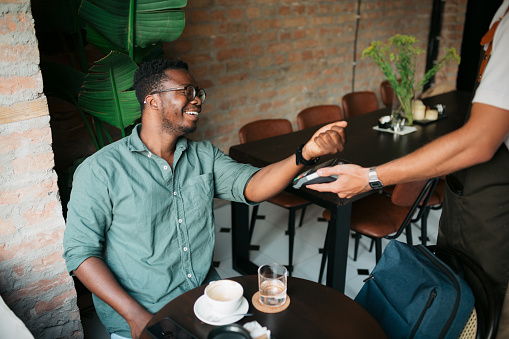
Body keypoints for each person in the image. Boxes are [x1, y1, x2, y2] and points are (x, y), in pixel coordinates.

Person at [62, 59, 347, 339]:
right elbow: (81, 253)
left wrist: (304, 155)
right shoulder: (100, 170)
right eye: (187, 91)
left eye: (198, 93)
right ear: (152, 101)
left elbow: (252, 185)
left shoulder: (203, 155)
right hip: (142, 312)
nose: (197, 100)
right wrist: (136, 317)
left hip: (205, 300)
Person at [308, 1, 509, 336]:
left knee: (492, 309)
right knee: (462, 298)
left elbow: (479, 141)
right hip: (470, 200)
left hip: (495, 205)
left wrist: (370, 178)